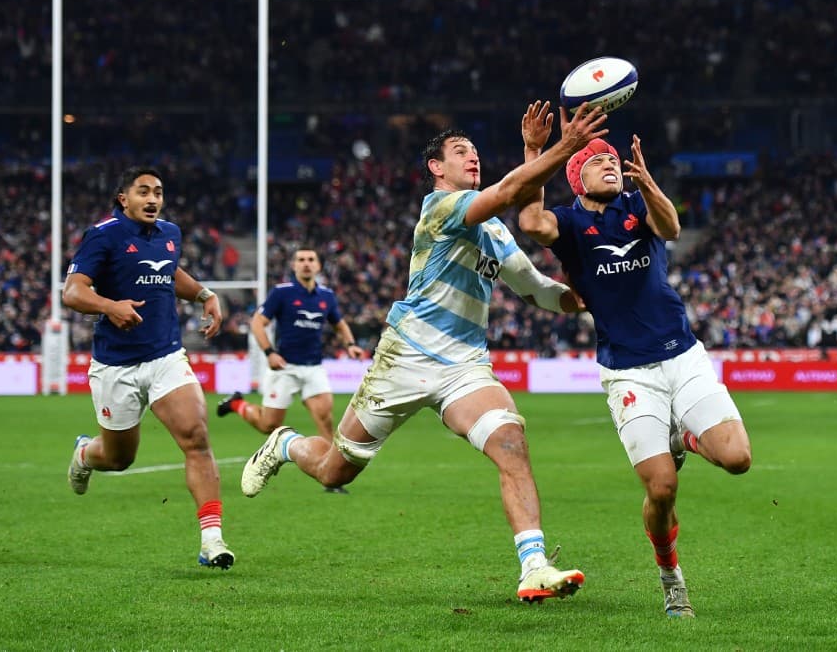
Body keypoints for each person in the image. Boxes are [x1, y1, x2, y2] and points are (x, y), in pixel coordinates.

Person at [240, 101, 608, 603]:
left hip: (464, 367)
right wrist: (555, 149)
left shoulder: (495, 233)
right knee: (334, 469)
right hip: (405, 358)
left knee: (511, 443)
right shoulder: (439, 208)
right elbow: (504, 193)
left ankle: (535, 566)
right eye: (461, 152)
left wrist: (582, 298)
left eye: (476, 151)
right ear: (437, 167)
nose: (472, 158)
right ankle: (285, 444)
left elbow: (539, 291)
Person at [517, 135, 753, 617]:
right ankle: (672, 579)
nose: (609, 164)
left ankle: (682, 438)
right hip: (627, 372)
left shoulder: (637, 204)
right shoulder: (569, 221)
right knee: (662, 489)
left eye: (612, 159)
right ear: (575, 176)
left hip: (682, 356)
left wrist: (649, 185)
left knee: (737, 458)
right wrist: (538, 155)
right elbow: (529, 221)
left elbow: (670, 224)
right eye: (596, 161)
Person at [63, 166, 235, 570]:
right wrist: (110, 306)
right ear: (124, 198)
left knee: (196, 436)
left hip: (165, 357)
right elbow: (73, 291)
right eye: (143, 191)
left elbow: (168, 271)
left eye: (158, 191)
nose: (153, 198)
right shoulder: (103, 234)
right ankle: (86, 454)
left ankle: (212, 539)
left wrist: (205, 294)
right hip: (115, 366)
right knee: (120, 458)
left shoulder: (169, 234)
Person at [216, 247, 365, 493]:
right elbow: (257, 323)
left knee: (325, 419)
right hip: (284, 367)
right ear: (294, 266)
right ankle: (237, 404)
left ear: (318, 266)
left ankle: (330, 477)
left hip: (313, 368)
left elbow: (339, 324)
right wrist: (269, 353)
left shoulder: (326, 296)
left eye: (311, 259)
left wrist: (350, 345)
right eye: (301, 260)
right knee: (268, 425)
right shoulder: (282, 293)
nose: (306, 264)